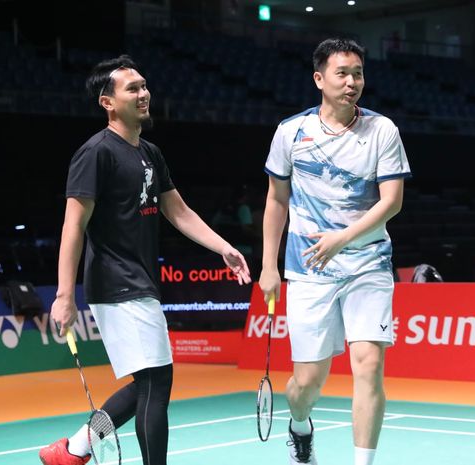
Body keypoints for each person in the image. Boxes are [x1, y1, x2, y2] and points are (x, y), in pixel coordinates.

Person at [39, 55, 251, 465]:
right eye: (132, 88)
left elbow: (179, 212)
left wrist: (222, 246)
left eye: (144, 85)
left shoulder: (150, 153)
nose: (143, 93)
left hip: (140, 280)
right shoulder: (95, 153)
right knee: (157, 382)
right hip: (116, 281)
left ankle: (75, 447)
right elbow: (73, 227)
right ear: (108, 102)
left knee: (149, 384)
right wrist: (65, 294)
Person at [258, 38, 411, 465]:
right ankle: (301, 424)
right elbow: (276, 199)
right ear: (319, 79)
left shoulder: (382, 130)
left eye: (358, 73)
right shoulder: (291, 132)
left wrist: (343, 238)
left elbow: (391, 202)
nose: (352, 82)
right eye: (342, 73)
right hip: (308, 269)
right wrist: (268, 265)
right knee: (307, 383)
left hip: (368, 264)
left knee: (368, 364)